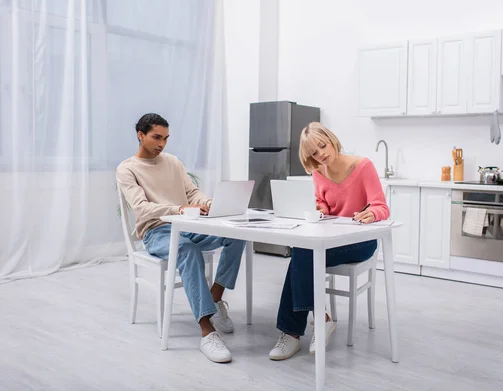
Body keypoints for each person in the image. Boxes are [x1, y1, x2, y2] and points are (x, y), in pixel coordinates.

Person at [116, 113, 246, 363]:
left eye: (165, 138)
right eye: (156, 137)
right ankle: (207, 331)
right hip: (157, 231)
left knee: (236, 235)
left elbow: (192, 192)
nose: (161, 144)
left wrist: (210, 203)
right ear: (140, 135)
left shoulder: (173, 162)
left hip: (188, 223)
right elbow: (142, 208)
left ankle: (215, 299)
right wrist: (179, 209)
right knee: (186, 250)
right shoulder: (127, 169)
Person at [268, 122, 390, 360]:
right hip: (331, 239)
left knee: (302, 252)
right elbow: (323, 203)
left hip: (360, 240)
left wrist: (372, 213)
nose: (321, 154)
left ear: (331, 140)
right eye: (314, 153)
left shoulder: (362, 166)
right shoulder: (318, 172)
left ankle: (293, 332)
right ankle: (319, 320)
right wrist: (319, 208)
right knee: (302, 249)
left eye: (322, 146)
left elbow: (381, 206)